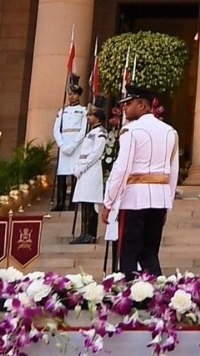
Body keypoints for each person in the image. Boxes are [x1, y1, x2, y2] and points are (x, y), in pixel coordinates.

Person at [102, 85, 179, 278]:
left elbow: (122, 169)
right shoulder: (170, 132)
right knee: (150, 252)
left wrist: (109, 202)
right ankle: (157, 295)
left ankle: (129, 295)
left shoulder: (131, 131)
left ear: (143, 105)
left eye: (129, 103)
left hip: (135, 199)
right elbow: (173, 172)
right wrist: (167, 204)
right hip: (159, 199)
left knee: (128, 252)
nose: (124, 108)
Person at [71, 108, 108, 244]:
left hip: (91, 169)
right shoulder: (91, 132)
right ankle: (84, 232)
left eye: (91, 115)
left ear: (98, 117)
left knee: (90, 202)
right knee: (84, 202)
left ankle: (90, 233)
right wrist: (77, 167)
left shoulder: (100, 133)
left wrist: (82, 167)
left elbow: (95, 154)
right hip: (84, 170)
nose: (88, 117)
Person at [53, 81, 87, 212]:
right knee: (61, 174)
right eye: (70, 94)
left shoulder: (83, 111)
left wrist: (73, 145)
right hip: (64, 143)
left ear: (79, 96)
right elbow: (56, 129)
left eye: (74, 94)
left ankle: (73, 202)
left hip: (76, 144)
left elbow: (83, 129)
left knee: (74, 173)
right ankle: (60, 202)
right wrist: (62, 144)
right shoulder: (62, 111)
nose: (71, 97)